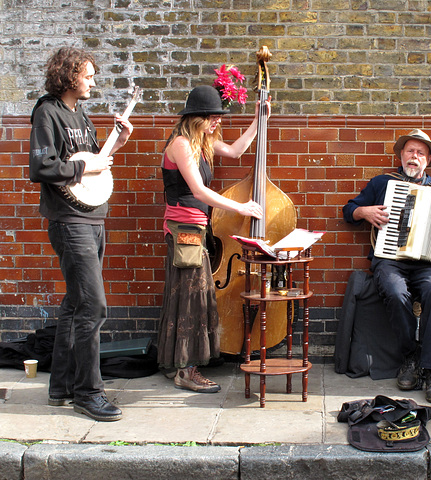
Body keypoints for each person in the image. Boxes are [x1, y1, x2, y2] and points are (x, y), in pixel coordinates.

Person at [29, 47, 134, 421]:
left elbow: (93, 166)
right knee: (93, 306)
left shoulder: (81, 116)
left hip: (92, 216)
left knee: (75, 304)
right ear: (69, 75)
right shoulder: (48, 112)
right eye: (87, 76)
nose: (92, 82)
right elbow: (41, 166)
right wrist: (82, 166)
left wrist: (115, 144)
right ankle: (88, 393)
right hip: (68, 219)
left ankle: (60, 388)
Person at [343, 129, 431, 403]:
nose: (414, 157)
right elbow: (348, 211)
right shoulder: (382, 183)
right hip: (390, 261)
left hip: (427, 265)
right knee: (394, 289)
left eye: (420, 153)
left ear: (427, 161)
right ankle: (411, 354)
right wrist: (364, 212)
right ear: (401, 156)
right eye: (410, 151)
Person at [156, 85, 264, 393]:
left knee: (187, 297)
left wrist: (258, 120)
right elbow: (199, 191)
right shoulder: (180, 144)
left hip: (195, 229)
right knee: (191, 299)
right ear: (196, 117)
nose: (217, 123)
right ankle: (186, 371)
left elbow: (235, 151)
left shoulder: (201, 142)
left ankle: (176, 364)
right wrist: (241, 207)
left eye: (218, 117)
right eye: (212, 118)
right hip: (182, 230)